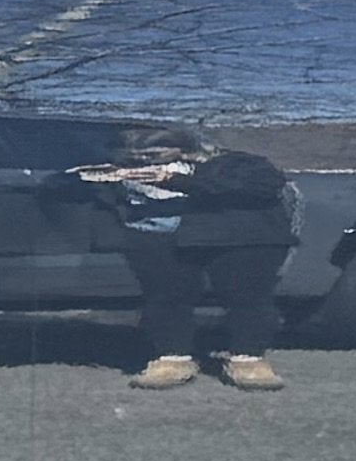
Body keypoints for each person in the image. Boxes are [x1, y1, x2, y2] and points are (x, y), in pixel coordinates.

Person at [78, 134, 295, 389]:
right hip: (154, 236)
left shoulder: (236, 162)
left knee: (246, 297)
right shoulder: (113, 169)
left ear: (183, 148)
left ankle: (248, 358)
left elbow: (263, 184)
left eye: (152, 153)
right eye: (135, 153)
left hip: (233, 238)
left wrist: (175, 180)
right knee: (165, 298)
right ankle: (172, 357)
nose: (143, 159)